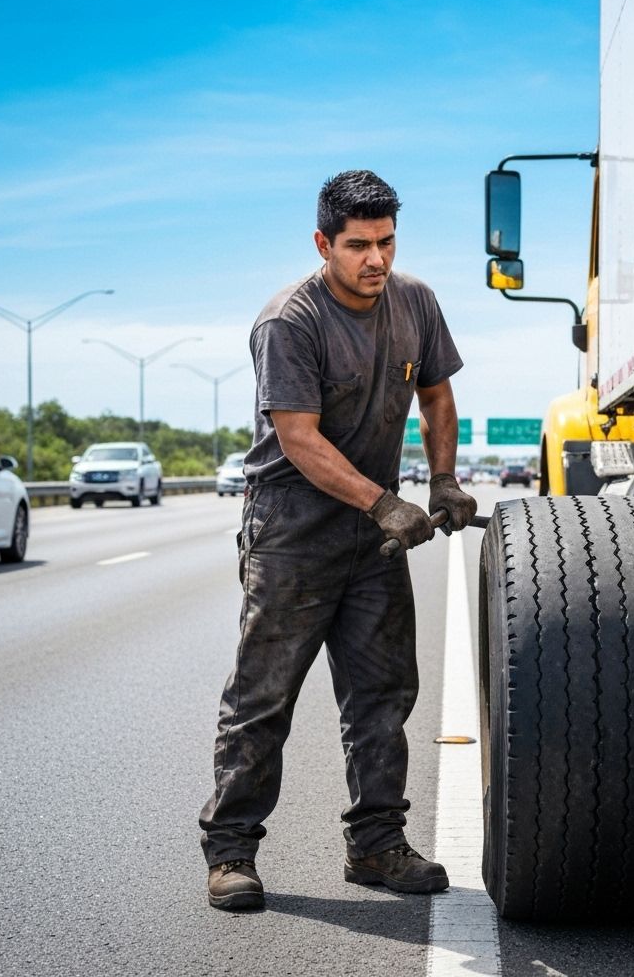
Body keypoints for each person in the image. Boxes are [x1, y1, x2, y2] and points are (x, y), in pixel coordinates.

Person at [199, 169, 477, 911]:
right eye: (358, 246)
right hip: (291, 530)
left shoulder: (415, 301)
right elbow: (298, 438)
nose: (376, 260)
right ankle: (230, 853)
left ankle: (377, 846)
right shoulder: (290, 321)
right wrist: (385, 503)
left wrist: (442, 481)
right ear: (324, 243)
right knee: (263, 698)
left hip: (370, 538)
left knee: (383, 697)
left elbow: (437, 392)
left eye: (386, 242)